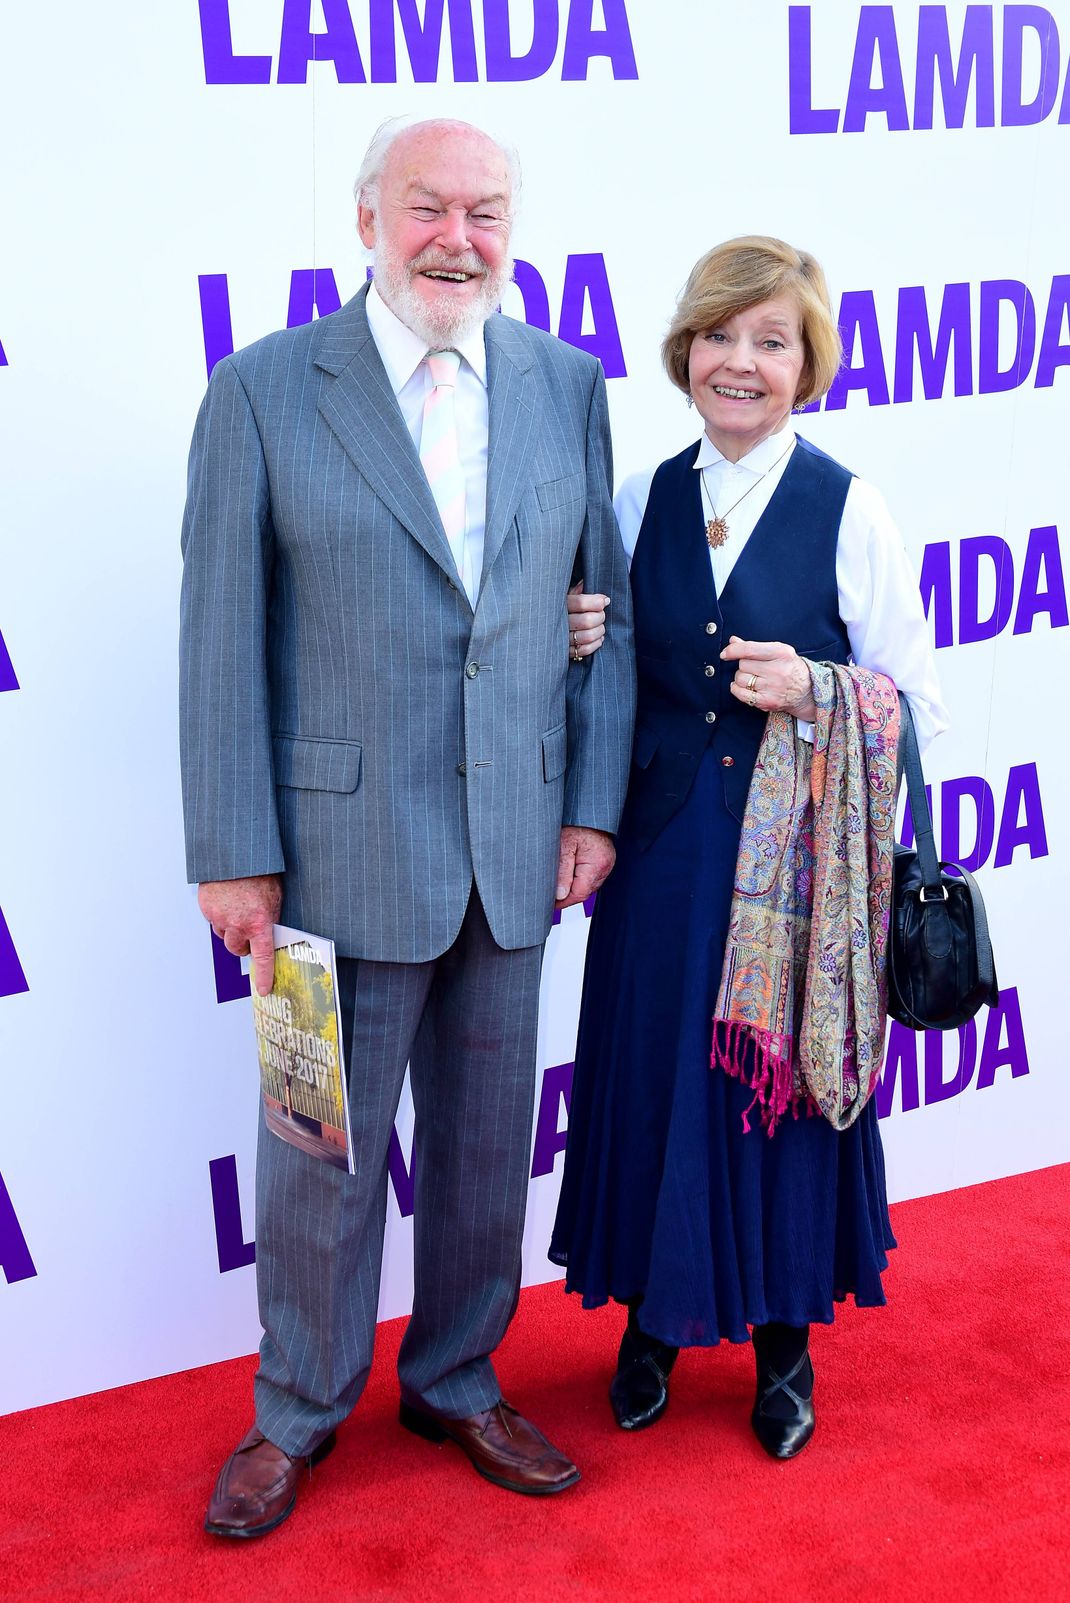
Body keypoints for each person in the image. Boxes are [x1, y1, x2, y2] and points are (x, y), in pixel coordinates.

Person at [180, 116, 634, 1538]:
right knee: (314, 1148)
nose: (459, 236)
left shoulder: (565, 383)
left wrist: (590, 808)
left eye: (486, 210)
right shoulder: (263, 391)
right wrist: (231, 850)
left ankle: (453, 1371)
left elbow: (596, 616)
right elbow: (217, 642)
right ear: (366, 215)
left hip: (513, 851)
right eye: (428, 206)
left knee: (489, 1146)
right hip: (324, 859)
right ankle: (295, 1407)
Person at [550, 236, 948, 1459]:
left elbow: (911, 706)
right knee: (657, 1078)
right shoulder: (639, 497)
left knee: (774, 1089)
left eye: (769, 341)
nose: (740, 362)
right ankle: (653, 1325)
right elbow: (613, 678)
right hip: (663, 850)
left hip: (797, 872)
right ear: (685, 353)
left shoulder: (848, 506)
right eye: (720, 337)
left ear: (804, 364)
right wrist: (575, 639)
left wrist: (819, 685)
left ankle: (784, 1344)